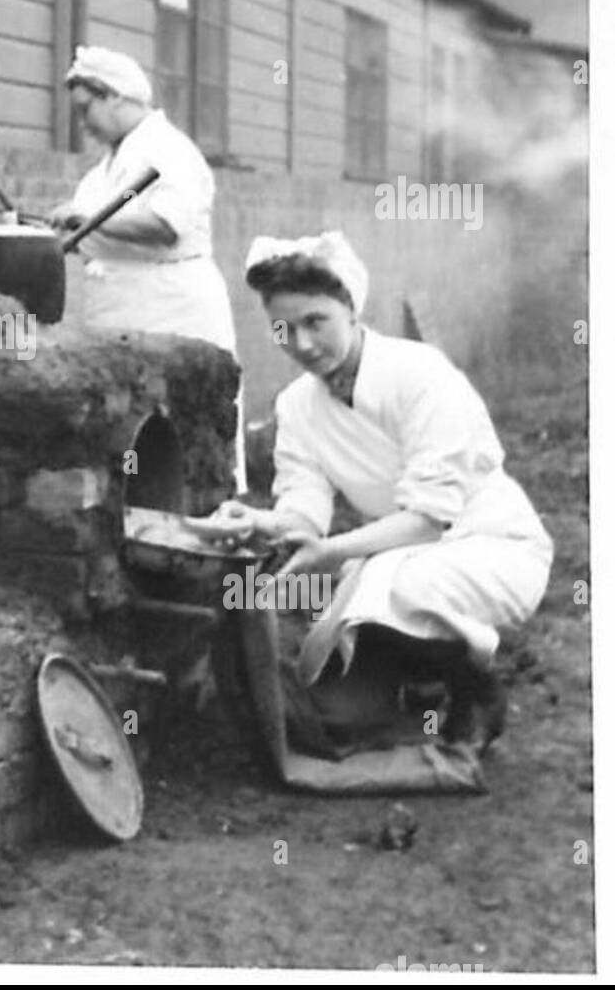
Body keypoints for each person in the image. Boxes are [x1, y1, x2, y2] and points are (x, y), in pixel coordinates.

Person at [210, 230, 553, 750]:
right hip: (397, 557)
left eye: (315, 322)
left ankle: (472, 688)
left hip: (490, 546)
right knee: (337, 717)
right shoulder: (298, 405)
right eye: (284, 328)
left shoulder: (419, 374)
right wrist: (262, 521)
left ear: (349, 307)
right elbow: (305, 507)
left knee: (396, 583)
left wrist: (332, 553)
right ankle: (410, 678)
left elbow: (428, 519)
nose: (301, 343)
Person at [49, 45, 244, 487]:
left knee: (184, 438)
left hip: (171, 310)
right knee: (134, 438)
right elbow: (101, 234)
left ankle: (202, 528)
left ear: (115, 96)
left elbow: (164, 224)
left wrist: (89, 219)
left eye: (86, 110)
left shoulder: (170, 151)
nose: (83, 124)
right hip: (121, 312)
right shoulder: (108, 165)